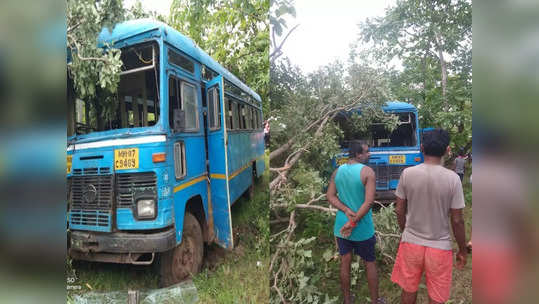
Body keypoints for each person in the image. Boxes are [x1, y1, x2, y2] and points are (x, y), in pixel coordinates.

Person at [391, 129, 467, 304]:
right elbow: (457, 220)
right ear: (448, 150)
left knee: (409, 289)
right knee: (437, 296)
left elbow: (399, 210)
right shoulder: (453, 179)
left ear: (422, 148)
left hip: (411, 243)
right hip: (439, 247)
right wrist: (462, 250)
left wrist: (406, 232)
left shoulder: (407, 174)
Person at [326, 141, 385, 304]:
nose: (369, 154)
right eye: (367, 152)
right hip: (361, 228)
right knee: (370, 263)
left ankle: (347, 300)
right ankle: (375, 301)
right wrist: (353, 222)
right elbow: (368, 203)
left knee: (345, 262)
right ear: (358, 154)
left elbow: (330, 196)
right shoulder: (367, 172)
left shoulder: (337, 171)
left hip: (341, 227)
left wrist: (345, 210)